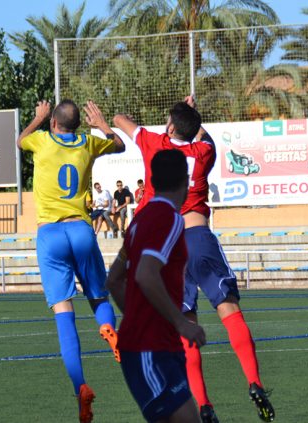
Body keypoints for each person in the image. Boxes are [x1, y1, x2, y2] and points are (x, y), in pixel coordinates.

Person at [113, 98, 275, 423]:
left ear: (170, 126)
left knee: (187, 328)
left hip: (171, 249)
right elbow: (205, 138)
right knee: (229, 310)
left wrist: (170, 123)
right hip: (198, 237)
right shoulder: (203, 153)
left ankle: (204, 405)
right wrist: (190, 117)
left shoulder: (155, 146)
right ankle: (254, 383)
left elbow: (120, 118)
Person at [17, 99, 125, 423]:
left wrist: (36, 119)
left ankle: (80, 387)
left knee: (64, 314)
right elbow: (118, 145)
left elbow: (19, 140)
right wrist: (103, 125)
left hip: (50, 235)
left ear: (53, 123)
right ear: (79, 125)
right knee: (98, 295)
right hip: (81, 229)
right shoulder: (88, 142)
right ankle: (108, 327)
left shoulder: (42, 140)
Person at [106, 149, 206, 423]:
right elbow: (146, 274)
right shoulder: (171, 218)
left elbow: (114, 279)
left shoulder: (139, 220)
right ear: (185, 182)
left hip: (152, 345)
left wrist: (138, 316)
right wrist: (181, 323)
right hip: (150, 349)